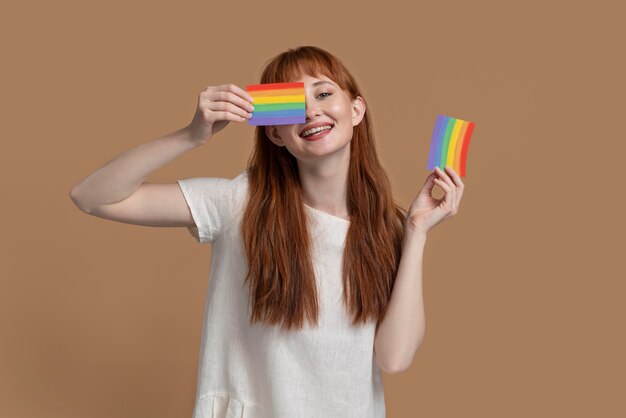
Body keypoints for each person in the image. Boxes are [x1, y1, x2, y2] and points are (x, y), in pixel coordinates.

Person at [69, 45, 465, 418]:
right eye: (294, 104)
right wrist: (192, 135)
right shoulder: (238, 203)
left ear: (356, 109)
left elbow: (394, 359)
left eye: (324, 94)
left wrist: (416, 231)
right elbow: (92, 196)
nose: (311, 111)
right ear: (274, 133)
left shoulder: (388, 226)